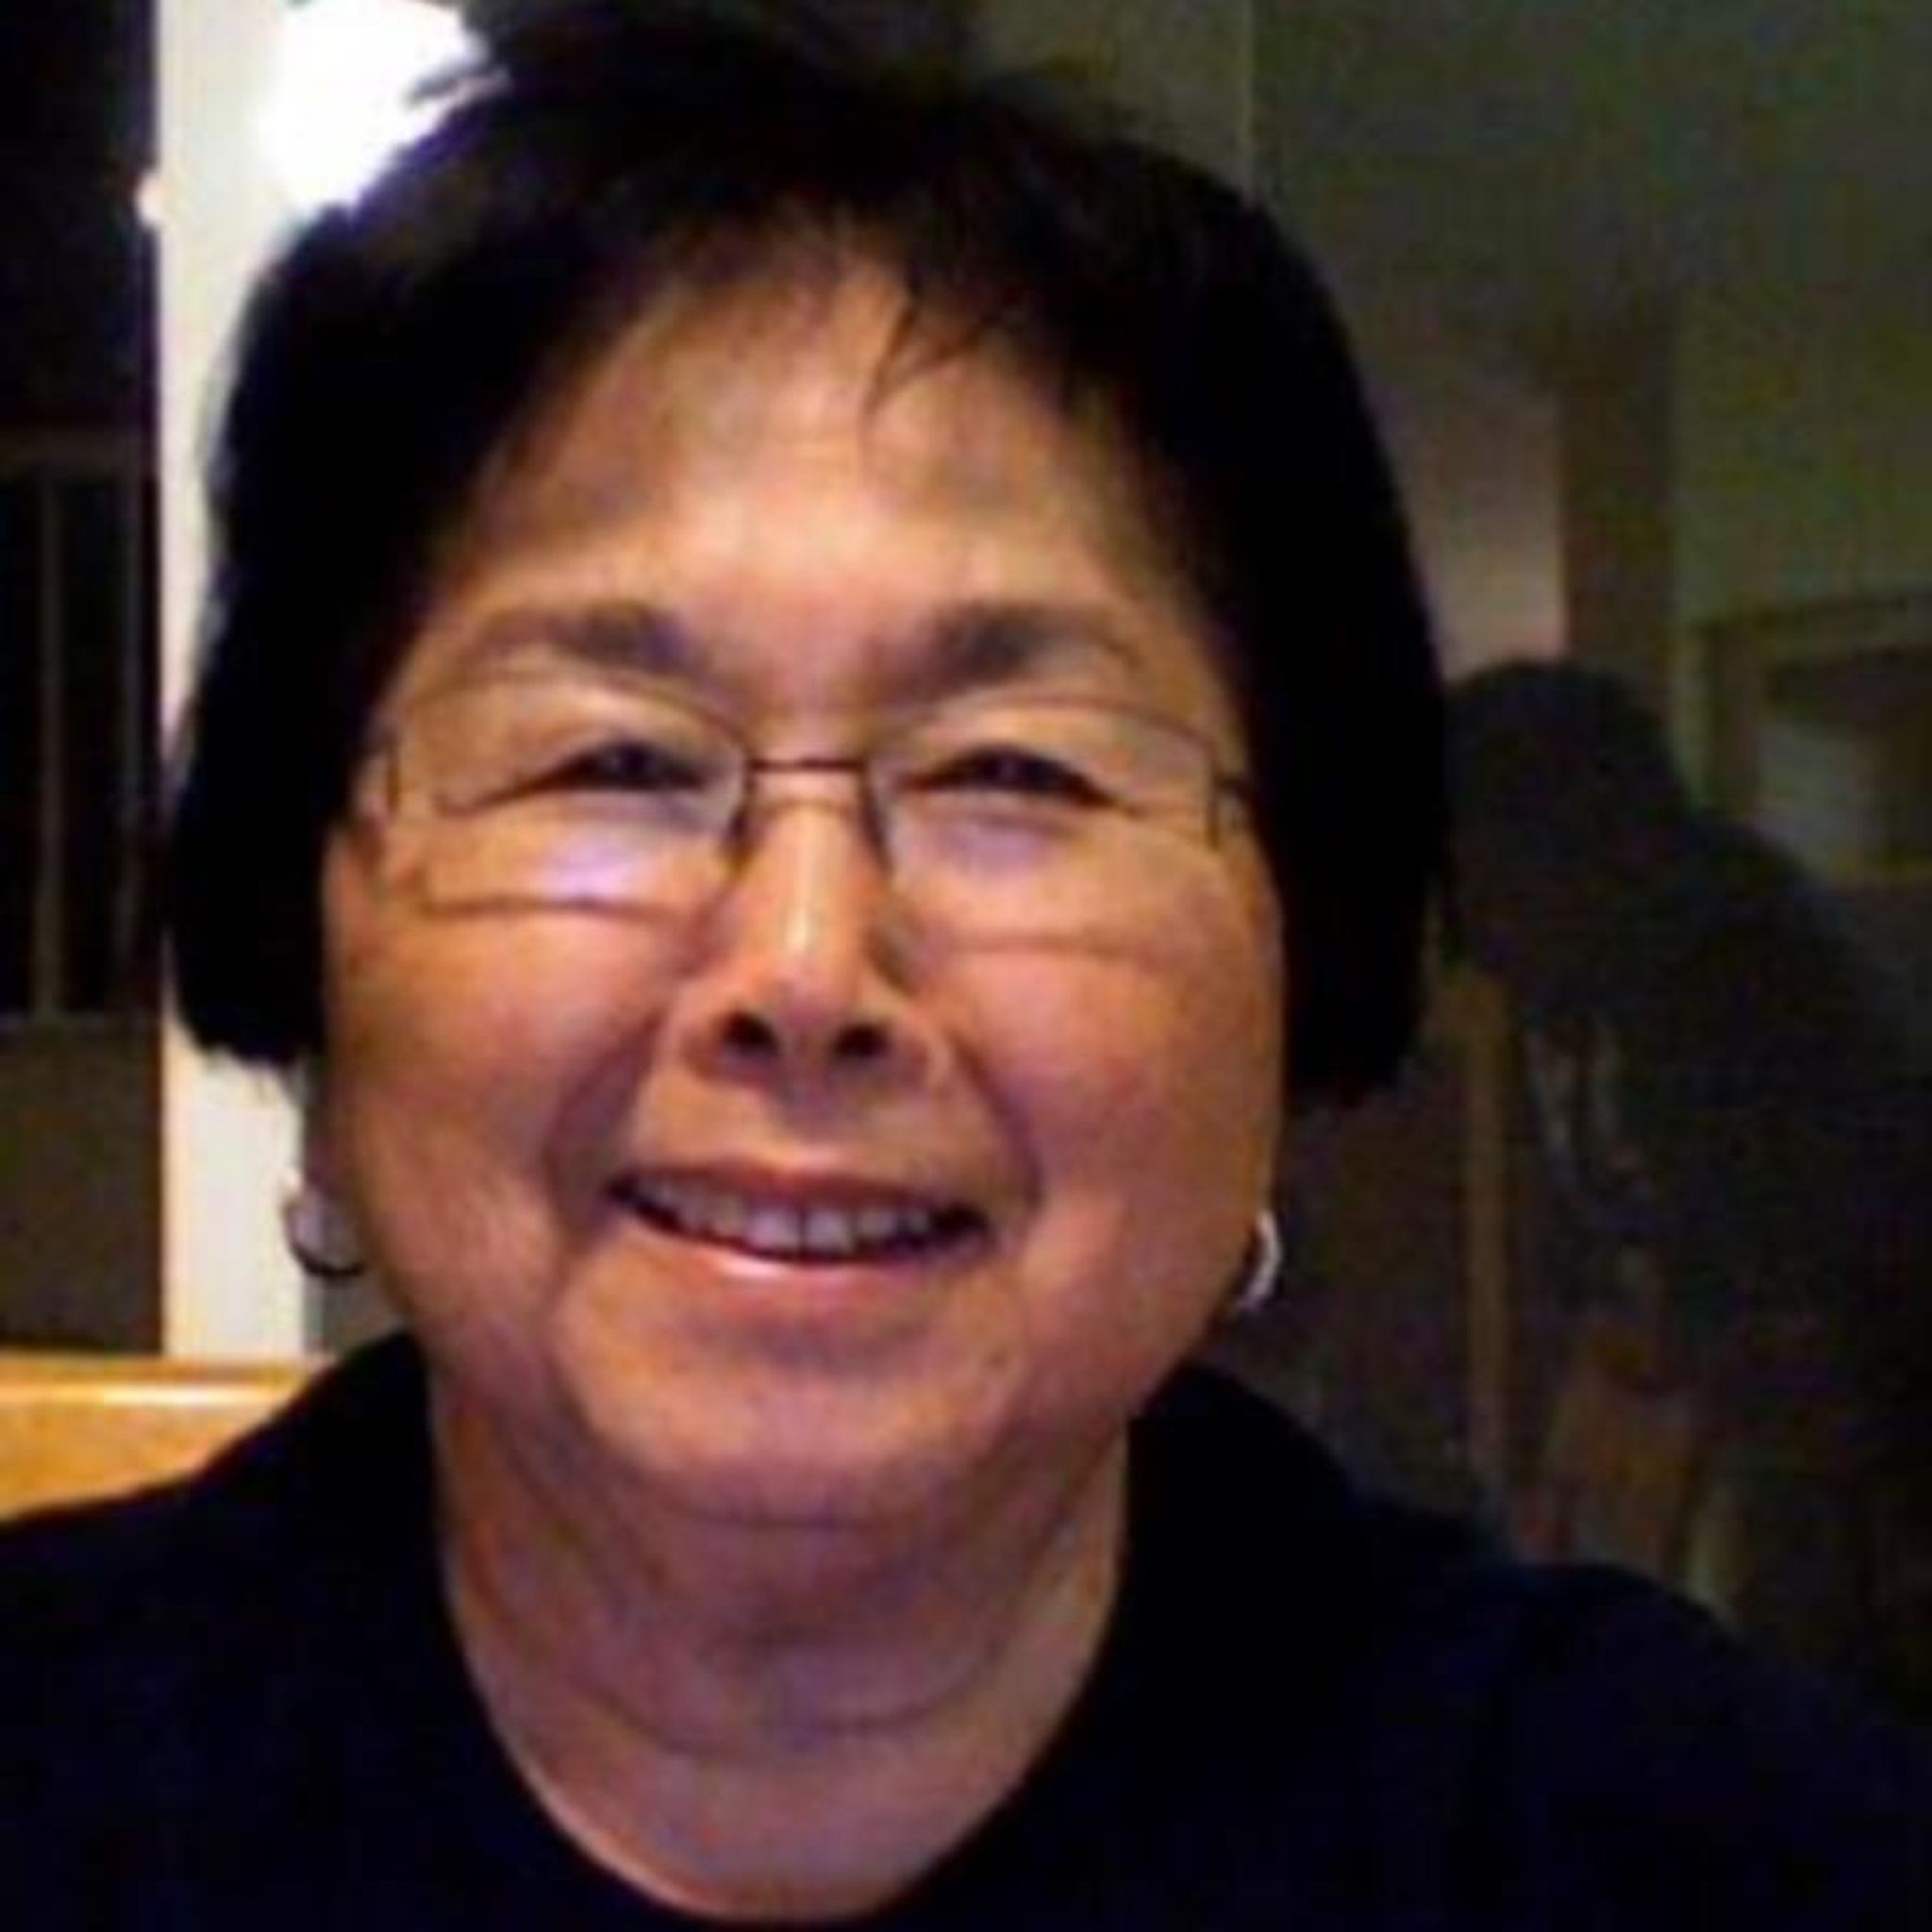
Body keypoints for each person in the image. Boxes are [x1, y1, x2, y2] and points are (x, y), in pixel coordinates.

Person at [2, 7, 1926, 1925]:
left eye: (1016, 772)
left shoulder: (1694, 1846)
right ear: (307, 907)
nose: (804, 966)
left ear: (1296, 929)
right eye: (613, 762)